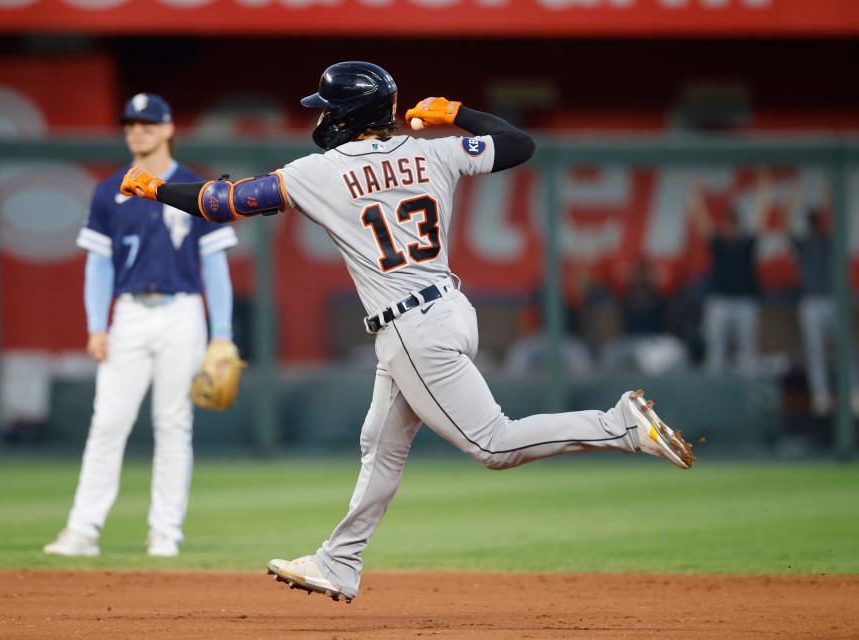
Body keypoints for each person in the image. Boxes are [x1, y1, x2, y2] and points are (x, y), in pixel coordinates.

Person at [120, 62, 694, 601]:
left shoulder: (318, 171)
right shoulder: (433, 153)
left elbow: (219, 202)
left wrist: (151, 187)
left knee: (492, 443)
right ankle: (339, 562)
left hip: (412, 329)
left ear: (346, 116)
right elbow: (520, 144)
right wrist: (459, 112)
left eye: (327, 108)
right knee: (381, 443)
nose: (320, 117)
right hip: (445, 309)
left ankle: (618, 424)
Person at [44, 93, 239, 558]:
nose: (138, 130)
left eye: (148, 123)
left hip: (182, 311)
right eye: (132, 123)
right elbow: (98, 265)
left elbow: (215, 267)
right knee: (108, 422)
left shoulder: (195, 186)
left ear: (169, 129)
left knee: (173, 423)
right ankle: (83, 530)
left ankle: (164, 533)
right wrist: (97, 324)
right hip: (129, 313)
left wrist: (223, 335)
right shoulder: (108, 188)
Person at [780, 191, 859, 416]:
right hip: (812, 301)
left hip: (836, 299)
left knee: (846, 348)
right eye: (812, 221)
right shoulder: (803, 244)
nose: (815, 224)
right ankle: (821, 396)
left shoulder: (832, 241)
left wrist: (826, 192)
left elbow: (838, 218)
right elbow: (786, 230)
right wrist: (795, 200)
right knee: (815, 351)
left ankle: (853, 392)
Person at [688, 175, 770, 374]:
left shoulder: (747, 243)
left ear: (738, 224)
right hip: (720, 301)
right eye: (728, 222)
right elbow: (702, 221)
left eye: (734, 222)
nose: (731, 226)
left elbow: (761, 217)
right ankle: (714, 393)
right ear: (724, 224)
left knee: (748, 352)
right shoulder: (719, 243)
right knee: (715, 353)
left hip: (745, 301)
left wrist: (764, 190)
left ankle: (746, 394)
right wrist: (695, 193)